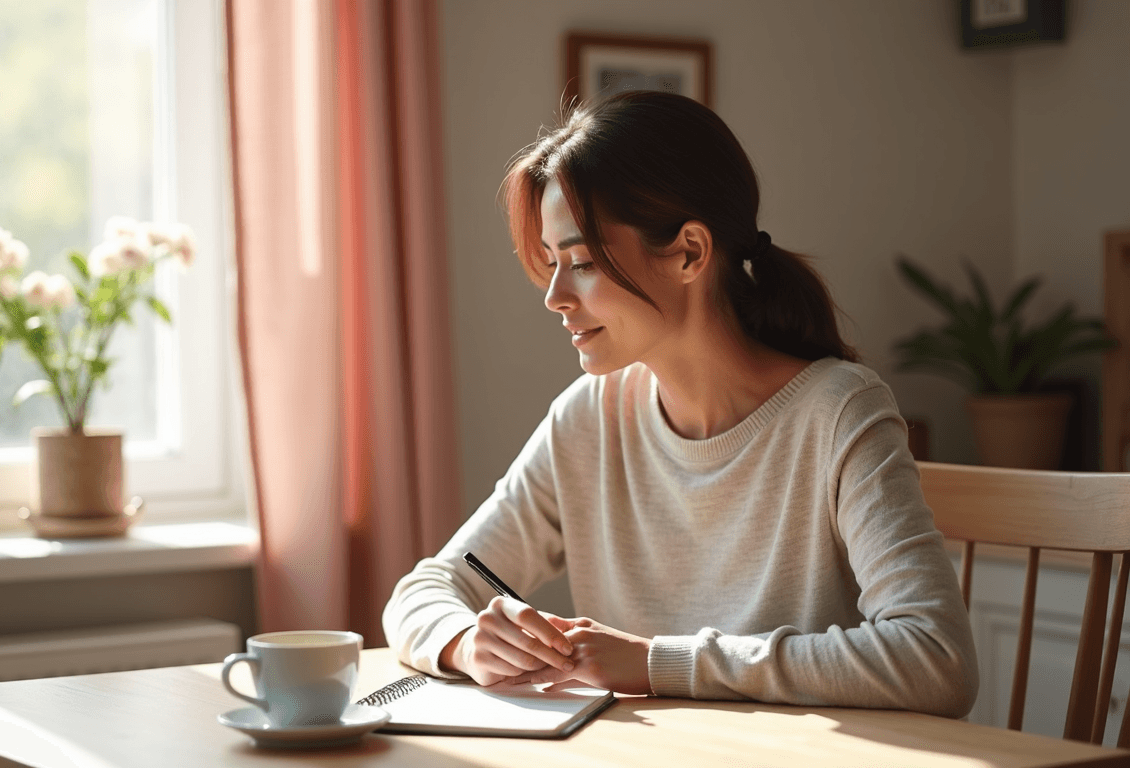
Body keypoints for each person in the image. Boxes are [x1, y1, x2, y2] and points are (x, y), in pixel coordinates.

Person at [381, 90, 978, 718]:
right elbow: (433, 585)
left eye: (580, 261)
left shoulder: (838, 414)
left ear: (690, 251)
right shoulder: (589, 420)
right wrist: (462, 638)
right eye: (553, 264)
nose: (555, 295)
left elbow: (935, 657)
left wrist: (654, 662)